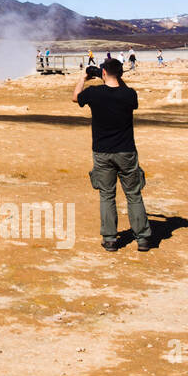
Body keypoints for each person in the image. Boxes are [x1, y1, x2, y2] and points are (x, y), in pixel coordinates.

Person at [74, 57, 154, 252]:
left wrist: (83, 78)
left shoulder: (94, 93)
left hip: (102, 152)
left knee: (107, 195)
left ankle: (110, 239)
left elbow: (76, 97)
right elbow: (125, 93)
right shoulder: (129, 94)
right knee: (133, 194)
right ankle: (142, 238)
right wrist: (118, 79)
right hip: (126, 151)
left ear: (102, 73)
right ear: (121, 74)